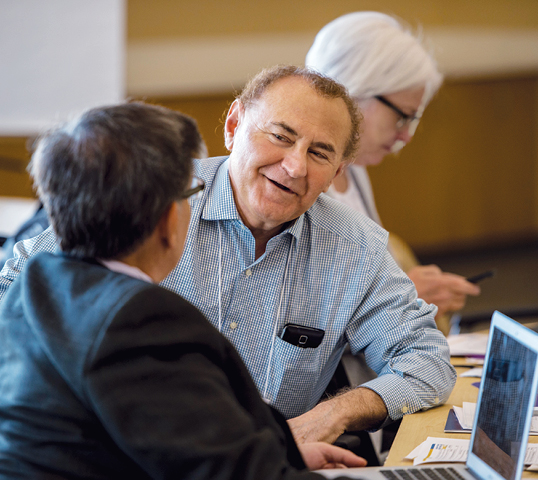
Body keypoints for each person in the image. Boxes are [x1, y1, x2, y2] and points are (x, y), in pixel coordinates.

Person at [0, 65, 456, 445]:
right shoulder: (154, 200)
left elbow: (427, 362)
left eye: (319, 153)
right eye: (280, 136)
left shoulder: (354, 249)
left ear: (338, 171)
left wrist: (331, 416)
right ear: (233, 125)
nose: (295, 166)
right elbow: (14, 282)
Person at [0, 102, 366, 478]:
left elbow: (115, 440)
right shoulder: (140, 321)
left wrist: (285, 454)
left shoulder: (32, 286)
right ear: (168, 219)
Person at [306, 11, 480, 334]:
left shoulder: (354, 170)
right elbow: (306, 316)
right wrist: (403, 294)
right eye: (402, 117)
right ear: (352, 92)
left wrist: (409, 291)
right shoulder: (300, 183)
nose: (407, 135)